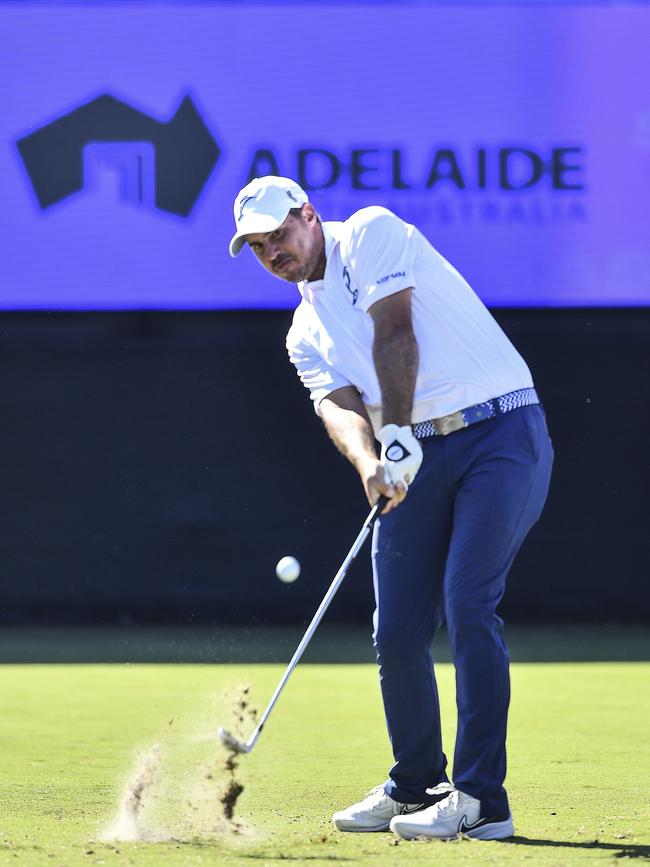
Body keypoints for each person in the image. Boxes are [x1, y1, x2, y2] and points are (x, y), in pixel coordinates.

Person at [228, 175, 553, 841]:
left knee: (467, 603)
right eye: (258, 247)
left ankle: (483, 800)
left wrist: (396, 429)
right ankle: (417, 784)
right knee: (396, 626)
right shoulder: (301, 330)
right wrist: (370, 459)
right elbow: (338, 405)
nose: (272, 253)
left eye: (278, 235)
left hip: (500, 430)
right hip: (415, 454)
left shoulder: (370, 232)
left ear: (309, 216)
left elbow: (395, 329)